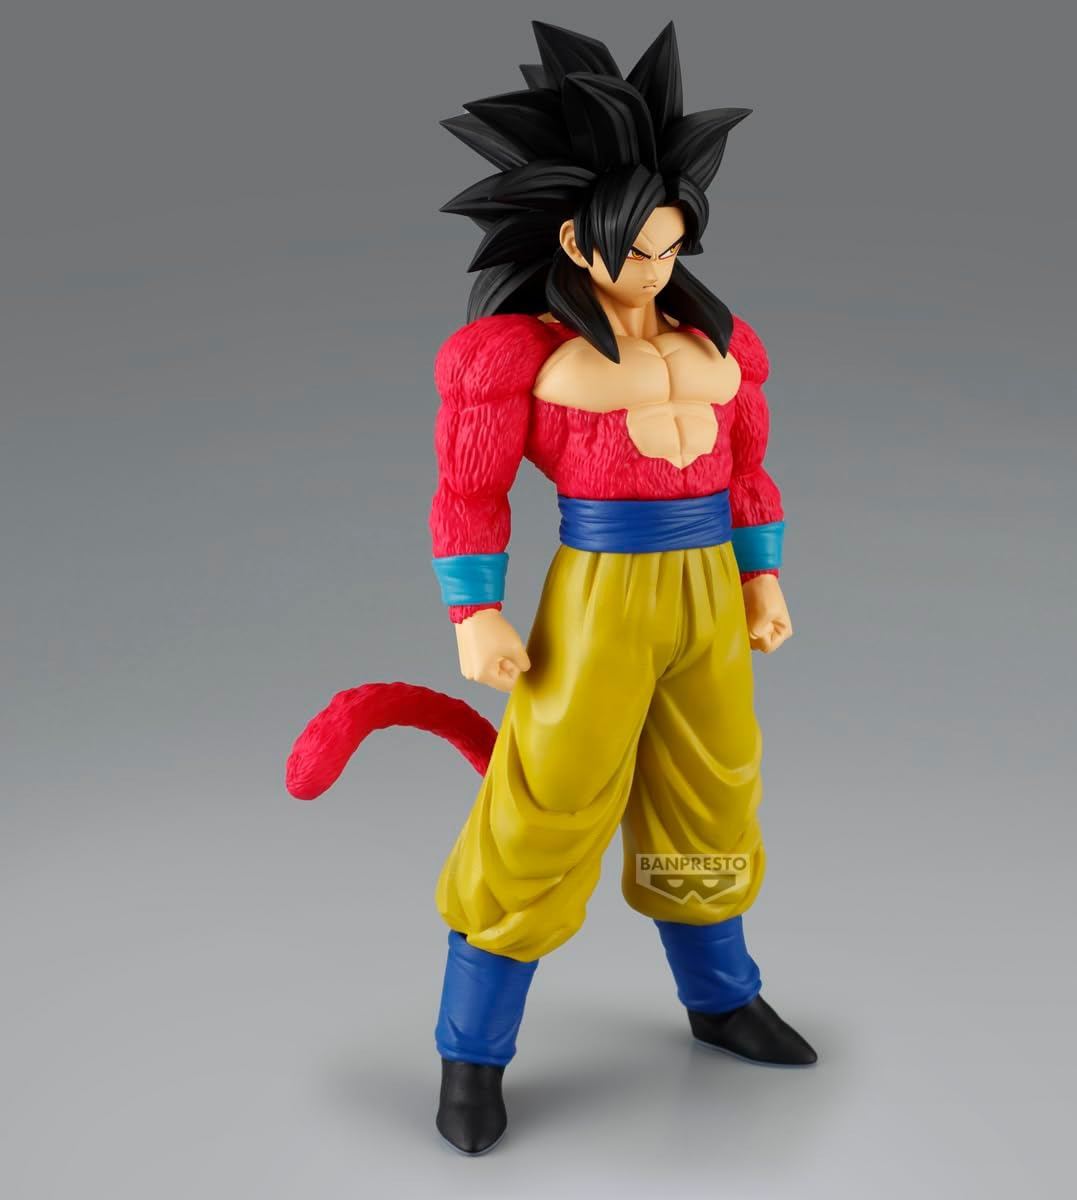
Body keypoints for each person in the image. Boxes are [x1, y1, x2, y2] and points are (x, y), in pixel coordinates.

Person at [286, 19, 817, 1157]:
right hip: (600, 593)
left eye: (674, 245)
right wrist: (475, 612)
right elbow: (470, 489)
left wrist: (763, 577)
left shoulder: (724, 345)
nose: (657, 269)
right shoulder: (515, 355)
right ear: (578, 238)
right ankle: (471, 1052)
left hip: (708, 593)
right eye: (638, 249)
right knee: (545, 811)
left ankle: (722, 996)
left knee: (712, 795)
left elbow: (748, 473)